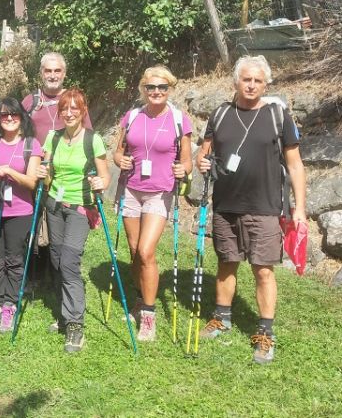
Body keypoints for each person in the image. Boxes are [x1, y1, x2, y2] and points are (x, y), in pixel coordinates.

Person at [196, 55, 306, 364]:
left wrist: (299, 208)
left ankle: (265, 333)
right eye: (246, 79)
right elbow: (203, 157)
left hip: (265, 207)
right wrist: (201, 162)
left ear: (266, 84)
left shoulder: (277, 115)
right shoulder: (219, 115)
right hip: (226, 205)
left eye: (258, 80)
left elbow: (296, 166)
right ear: (235, 81)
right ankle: (222, 318)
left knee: (263, 271)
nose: (252, 85)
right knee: (226, 264)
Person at [112, 65, 193, 341]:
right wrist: (119, 160)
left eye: (162, 88)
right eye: (151, 87)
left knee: (146, 251)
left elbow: (187, 160)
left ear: (170, 89)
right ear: (143, 89)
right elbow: (118, 151)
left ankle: (149, 314)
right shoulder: (132, 116)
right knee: (134, 250)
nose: (156, 92)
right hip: (131, 189)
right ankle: (138, 299)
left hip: (160, 191)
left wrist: (184, 169)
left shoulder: (180, 119)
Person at [36, 89, 110, 353]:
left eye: (74, 108)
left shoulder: (93, 140)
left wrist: (101, 183)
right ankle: (64, 314)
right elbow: (46, 174)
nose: (68, 113)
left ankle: (75, 325)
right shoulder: (52, 138)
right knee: (56, 261)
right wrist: (42, 172)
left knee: (68, 261)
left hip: (80, 207)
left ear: (83, 110)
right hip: (54, 205)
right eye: (64, 108)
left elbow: (105, 177)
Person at [21, 52, 93, 287]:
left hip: (63, 176)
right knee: (32, 221)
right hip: (33, 170)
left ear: (64, 73)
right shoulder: (30, 102)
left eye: (57, 71)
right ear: (41, 73)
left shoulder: (74, 101)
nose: (52, 75)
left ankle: (57, 277)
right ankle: (34, 274)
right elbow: (16, 132)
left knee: (55, 225)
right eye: (48, 71)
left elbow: (88, 137)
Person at [0, 98, 42, 332]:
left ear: (21, 117)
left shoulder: (31, 144)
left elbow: (31, 181)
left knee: (13, 259)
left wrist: (9, 171)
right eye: (4, 115)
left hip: (19, 211)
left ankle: (10, 303)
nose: (9, 119)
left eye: (14, 114)